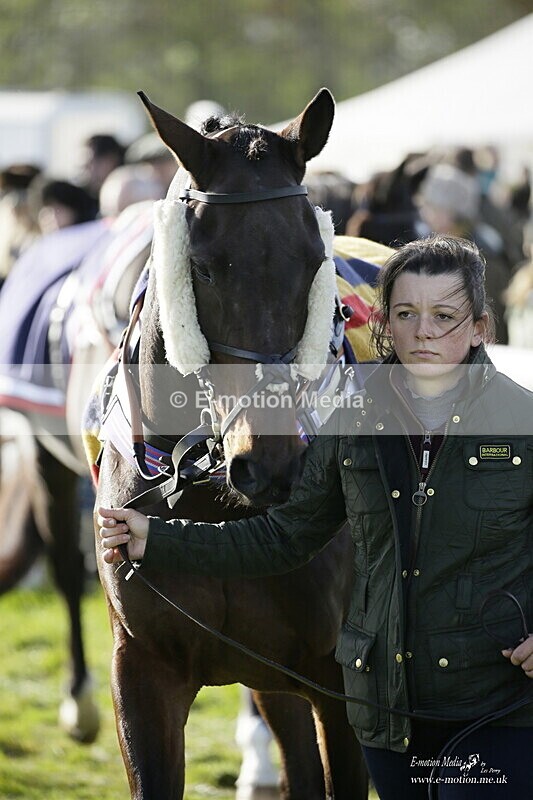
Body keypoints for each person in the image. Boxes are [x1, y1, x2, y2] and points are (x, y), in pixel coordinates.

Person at [99, 234, 532, 798]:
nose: (424, 331)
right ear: (382, 325)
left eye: (445, 316)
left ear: (480, 328)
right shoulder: (350, 427)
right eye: (406, 313)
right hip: (389, 718)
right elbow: (283, 539)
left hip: (497, 706)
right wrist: (159, 537)